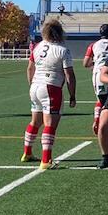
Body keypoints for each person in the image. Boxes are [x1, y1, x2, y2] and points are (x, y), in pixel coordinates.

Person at [22, 20, 76, 168]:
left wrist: (31, 85)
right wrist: (72, 95)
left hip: (35, 87)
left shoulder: (38, 47)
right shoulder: (62, 50)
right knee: (50, 124)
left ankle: (27, 152)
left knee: (35, 122)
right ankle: (46, 160)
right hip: (51, 87)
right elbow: (69, 75)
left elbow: (29, 69)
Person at [83, 24, 108, 129]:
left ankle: (98, 120)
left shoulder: (94, 45)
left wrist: (96, 65)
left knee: (101, 101)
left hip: (98, 75)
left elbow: (86, 63)